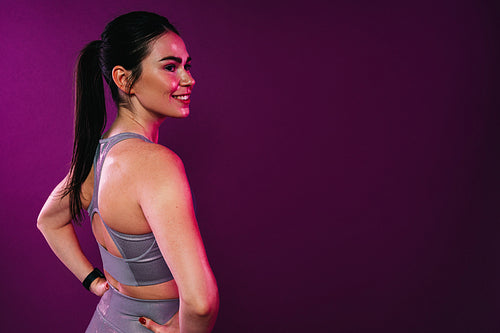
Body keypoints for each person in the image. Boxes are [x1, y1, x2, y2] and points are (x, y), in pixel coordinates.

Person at [37, 11, 219, 333]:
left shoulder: (98, 156)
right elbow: (200, 302)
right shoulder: (156, 164)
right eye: (170, 67)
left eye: (186, 65)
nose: (189, 79)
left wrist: (94, 282)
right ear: (124, 79)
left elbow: (49, 220)